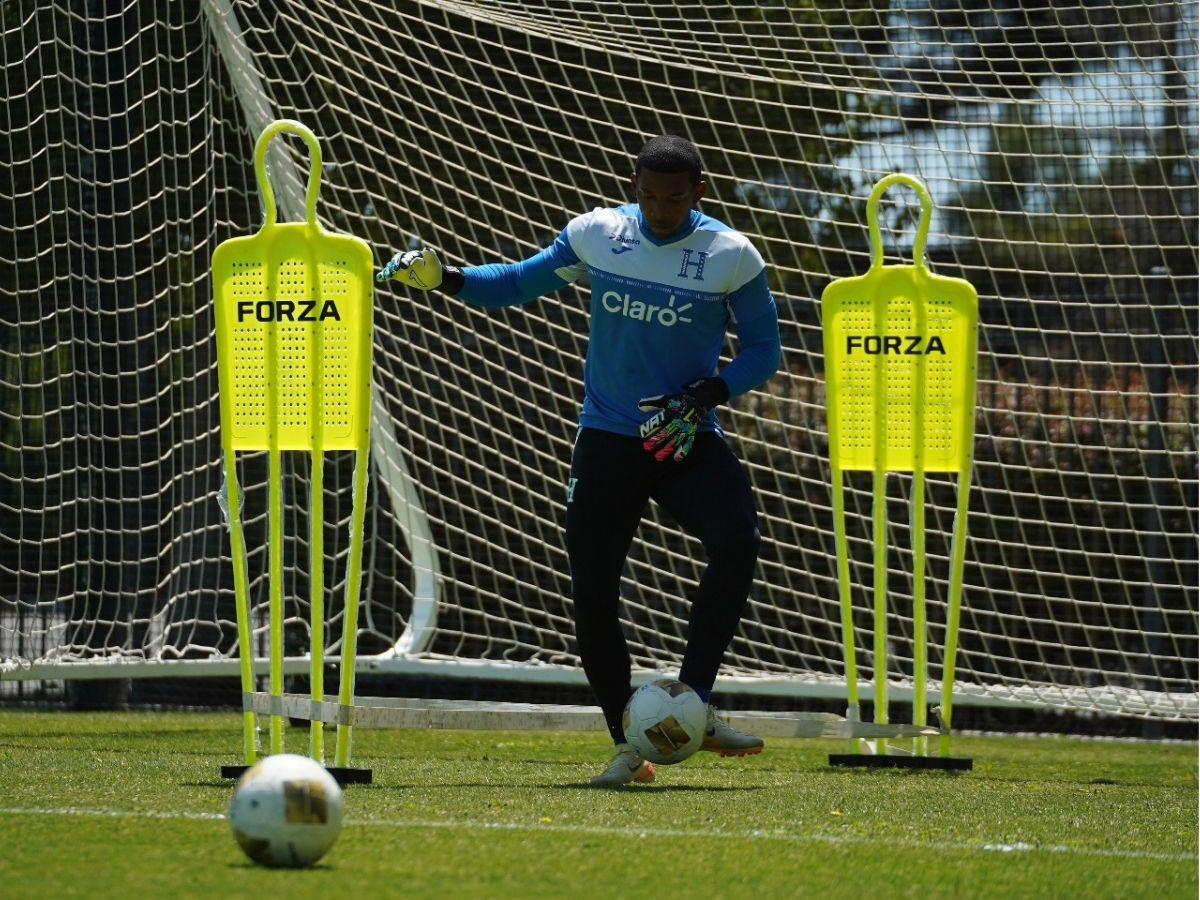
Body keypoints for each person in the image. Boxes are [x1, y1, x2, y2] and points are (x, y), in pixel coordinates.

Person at [378, 135, 781, 786]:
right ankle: (630, 744)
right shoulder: (598, 234)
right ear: (635, 185)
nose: (660, 210)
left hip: (681, 436)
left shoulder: (730, 255)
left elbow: (765, 350)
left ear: (699, 191)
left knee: (736, 540)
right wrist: (446, 279)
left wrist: (714, 389)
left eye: (675, 198)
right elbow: (513, 283)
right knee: (593, 595)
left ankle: (695, 705)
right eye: (649, 195)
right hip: (607, 439)